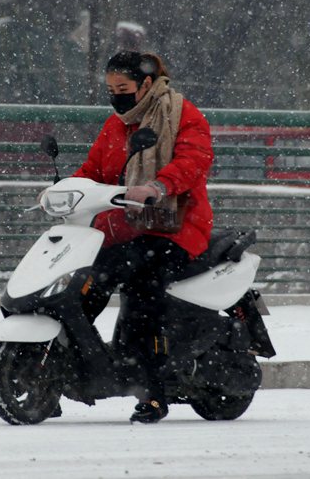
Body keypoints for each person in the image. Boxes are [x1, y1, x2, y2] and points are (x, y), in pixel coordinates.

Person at [73, 50, 214, 423]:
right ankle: (68, 359)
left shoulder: (181, 113)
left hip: (176, 228)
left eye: (123, 87)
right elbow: (93, 169)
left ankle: (152, 391)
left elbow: (194, 161)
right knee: (87, 274)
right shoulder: (115, 125)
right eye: (110, 89)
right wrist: (64, 189)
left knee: (140, 286)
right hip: (126, 230)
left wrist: (158, 185)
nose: (116, 95)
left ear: (146, 84)